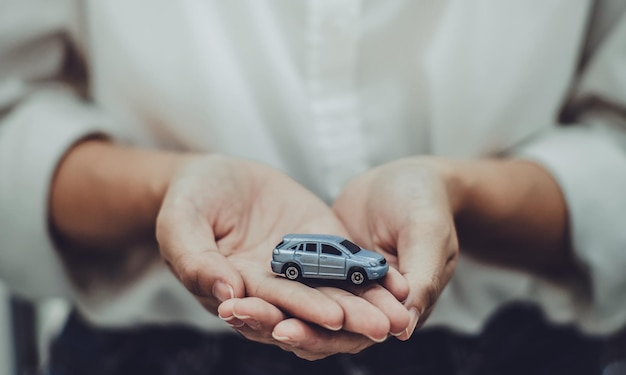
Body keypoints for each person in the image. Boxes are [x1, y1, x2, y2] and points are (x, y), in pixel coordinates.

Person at [0, 0, 625, 373]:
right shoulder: (320, 260)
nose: (360, 268)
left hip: (518, 353)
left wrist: (465, 195)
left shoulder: (335, 262)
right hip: (147, 357)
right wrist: (162, 188)